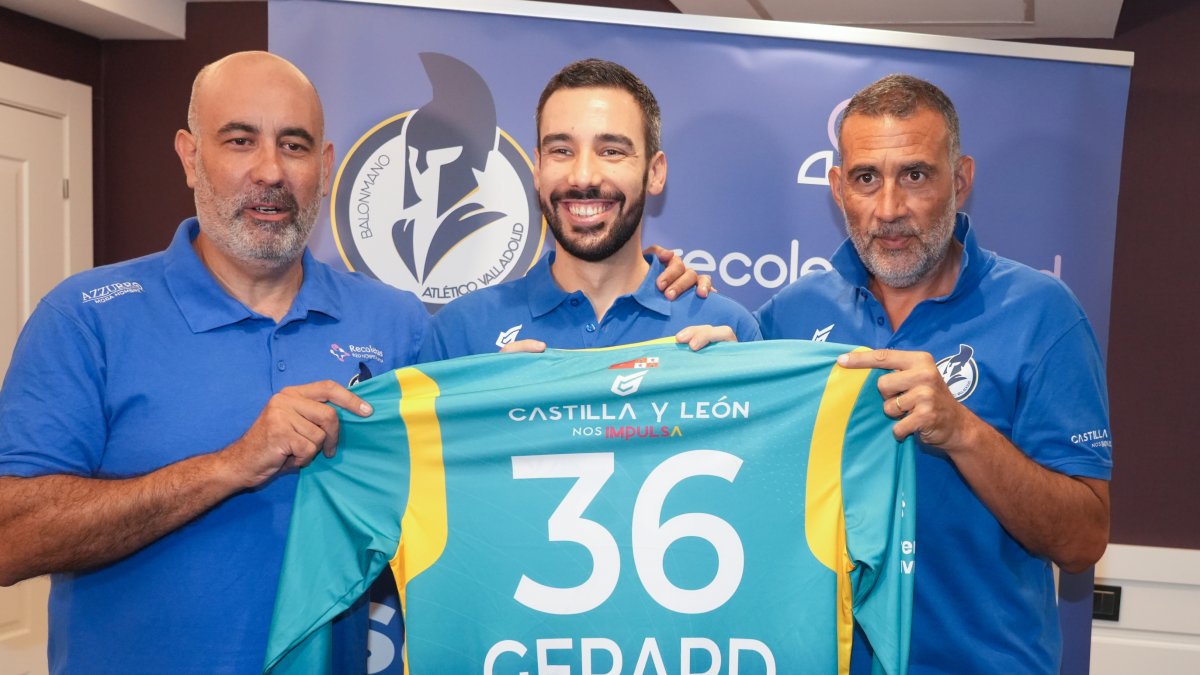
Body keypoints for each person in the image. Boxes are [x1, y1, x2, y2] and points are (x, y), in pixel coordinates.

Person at [0, 51, 431, 674]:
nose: (270, 171)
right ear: (189, 155)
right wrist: (231, 466)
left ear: (327, 166)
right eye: (239, 140)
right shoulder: (85, 317)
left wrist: (520, 399)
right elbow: (10, 539)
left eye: (295, 145)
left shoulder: (397, 323)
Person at [752, 74, 1112, 673]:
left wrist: (962, 432)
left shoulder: (1042, 312)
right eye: (867, 179)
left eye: (915, 175)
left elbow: (1082, 543)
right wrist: (700, 320)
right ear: (839, 189)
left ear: (961, 180)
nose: (889, 209)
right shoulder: (791, 314)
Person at [420, 58, 759, 361]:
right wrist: (484, 406)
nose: (582, 176)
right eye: (562, 151)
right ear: (537, 170)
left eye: (611, 151)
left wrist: (736, 392)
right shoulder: (458, 334)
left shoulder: (727, 332)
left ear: (654, 173)